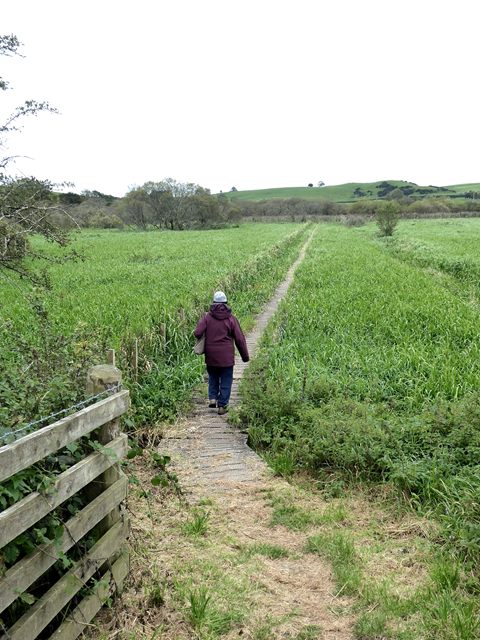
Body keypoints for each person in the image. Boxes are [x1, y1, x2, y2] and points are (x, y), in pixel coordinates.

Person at [194, 290, 249, 415]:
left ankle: (213, 398)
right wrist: (245, 356)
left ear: (213, 303)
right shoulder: (231, 319)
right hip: (226, 357)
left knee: (213, 376)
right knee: (226, 379)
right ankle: (222, 406)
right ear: (226, 303)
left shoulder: (207, 317)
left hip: (211, 355)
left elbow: (197, 332)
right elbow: (240, 339)